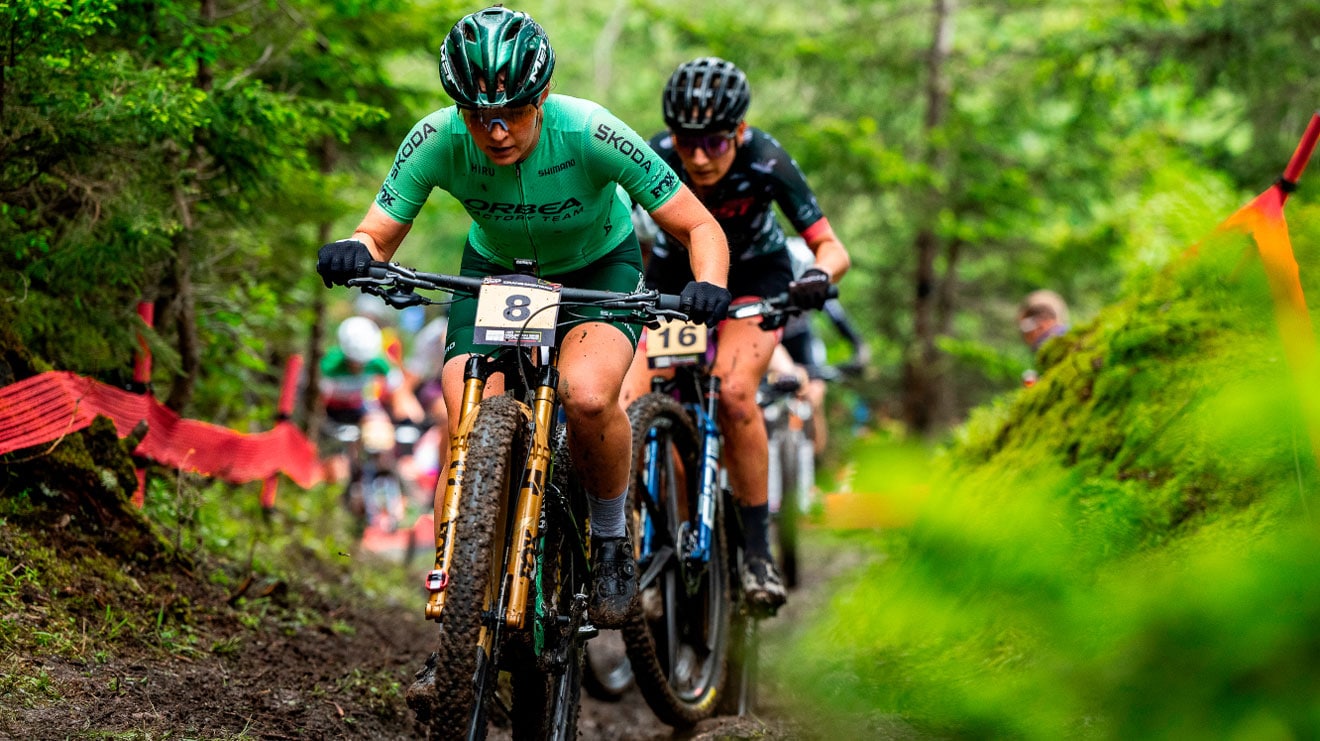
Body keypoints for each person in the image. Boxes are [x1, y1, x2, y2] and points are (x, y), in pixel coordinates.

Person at [315, 6, 732, 631]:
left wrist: (708, 283)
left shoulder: (591, 130)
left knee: (587, 396)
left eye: (512, 112)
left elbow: (698, 224)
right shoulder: (434, 139)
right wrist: (358, 251)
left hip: (598, 269)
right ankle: (459, 618)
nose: (497, 130)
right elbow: (377, 233)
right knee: (464, 427)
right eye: (479, 115)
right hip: (494, 271)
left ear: (541, 98)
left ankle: (611, 540)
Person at [621, 56, 851, 612]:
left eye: (716, 143)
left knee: (734, 393)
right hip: (678, 280)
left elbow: (831, 247)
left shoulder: (766, 159)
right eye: (687, 141)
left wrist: (818, 277)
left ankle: (756, 552)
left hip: (755, 278)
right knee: (636, 402)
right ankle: (658, 539)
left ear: (740, 132)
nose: (699, 157)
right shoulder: (655, 155)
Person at [779, 237, 869, 455]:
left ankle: (812, 464)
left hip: (803, 342)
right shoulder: (768, 284)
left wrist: (860, 351)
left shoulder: (816, 289)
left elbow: (841, 322)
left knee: (815, 395)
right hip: (774, 342)